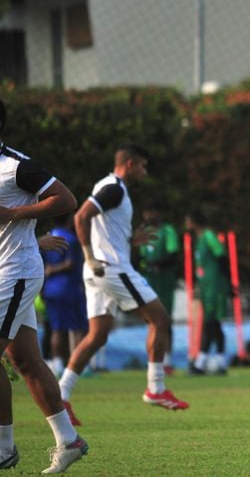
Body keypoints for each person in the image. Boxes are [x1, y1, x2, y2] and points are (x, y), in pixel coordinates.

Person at [58, 143, 189, 426]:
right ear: (130, 164)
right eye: (143, 166)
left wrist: (129, 240)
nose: (144, 172)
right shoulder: (115, 188)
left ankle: (61, 396)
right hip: (111, 269)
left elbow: (103, 230)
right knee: (160, 319)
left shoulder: (106, 186)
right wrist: (89, 256)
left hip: (99, 270)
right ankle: (156, 388)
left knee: (97, 336)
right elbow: (81, 216)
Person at [0, 99, 88, 473]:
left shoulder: (16, 166)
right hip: (7, 270)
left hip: (14, 272)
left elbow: (65, 199)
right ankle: (68, 440)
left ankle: (3, 448)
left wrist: (14, 214)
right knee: (26, 361)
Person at [42, 213, 88, 377]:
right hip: (69, 289)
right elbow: (71, 263)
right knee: (79, 327)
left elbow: (43, 264)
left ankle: (58, 364)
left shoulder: (47, 239)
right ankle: (79, 366)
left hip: (50, 289)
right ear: (69, 220)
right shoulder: (71, 239)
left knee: (57, 328)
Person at [185, 210, 230, 375]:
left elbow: (221, 256)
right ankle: (220, 362)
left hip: (215, 287)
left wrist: (227, 282)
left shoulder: (209, 236)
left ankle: (200, 362)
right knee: (214, 324)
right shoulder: (199, 240)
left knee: (209, 323)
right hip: (206, 287)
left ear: (194, 221)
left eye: (188, 221)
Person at [139, 204, 179, 374]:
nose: (148, 216)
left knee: (164, 321)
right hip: (148, 283)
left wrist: (158, 265)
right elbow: (141, 258)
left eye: (151, 212)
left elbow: (173, 255)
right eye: (146, 212)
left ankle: (167, 361)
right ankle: (153, 361)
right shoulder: (144, 232)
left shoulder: (167, 231)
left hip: (164, 284)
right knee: (151, 322)